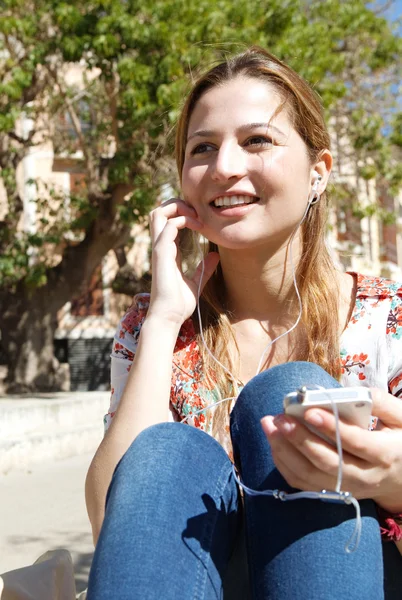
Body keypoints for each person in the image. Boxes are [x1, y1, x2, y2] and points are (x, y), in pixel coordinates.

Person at [85, 47, 402, 599]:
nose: (225, 166)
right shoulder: (154, 324)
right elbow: (114, 523)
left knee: (282, 391)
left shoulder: (386, 320)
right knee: (165, 451)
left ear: (318, 172)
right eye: (201, 148)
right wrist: (163, 319)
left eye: (257, 140)